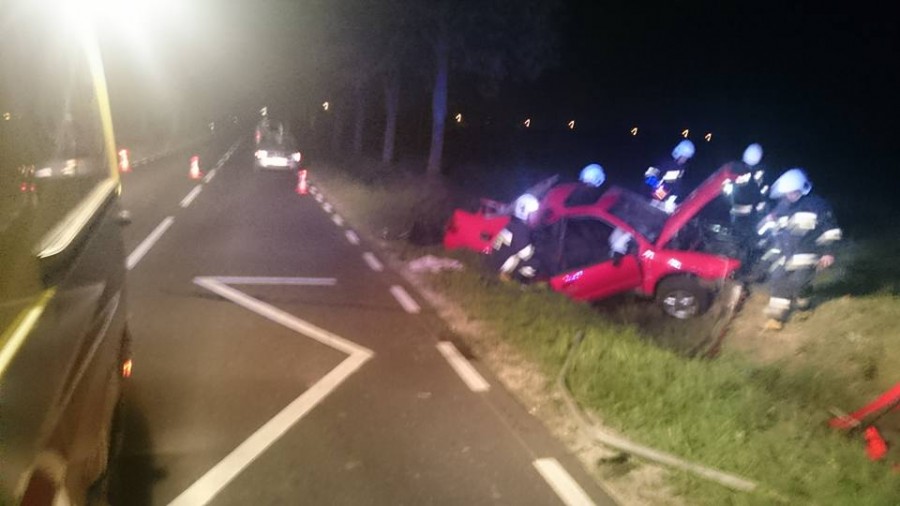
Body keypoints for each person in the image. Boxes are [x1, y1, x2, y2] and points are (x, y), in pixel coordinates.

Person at [757, 168, 841, 330]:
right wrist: (768, 222)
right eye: (787, 192)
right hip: (786, 252)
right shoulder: (782, 206)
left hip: (809, 252)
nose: (790, 195)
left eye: (793, 191)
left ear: (802, 188)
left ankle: (804, 304)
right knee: (777, 278)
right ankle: (776, 317)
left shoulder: (817, 205)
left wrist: (828, 252)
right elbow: (775, 226)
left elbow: (830, 230)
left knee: (799, 282)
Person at [728, 143, 768, 272]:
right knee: (743, 241)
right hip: (745, 213)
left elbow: (758, 192)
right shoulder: (750, 170)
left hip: (744, 213)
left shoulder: (738, 168)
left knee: (744, 242)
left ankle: (742, 268)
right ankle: (741, 267)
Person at [488, 193, 542, 282]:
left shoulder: (513, 223)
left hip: (495, 257)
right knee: (535, 262)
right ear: (526, 214)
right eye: (534, 214)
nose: (537, 216)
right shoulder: (521, 230)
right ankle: (523, 281)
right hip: (501, 263)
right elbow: (526, 253)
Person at [645, 139, 695, 212]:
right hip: (651, 199)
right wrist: (656, 186)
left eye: (686, 158)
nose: (684, 160)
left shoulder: (680, 169)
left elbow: (677, 186)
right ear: (678, 154)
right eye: (684, 157)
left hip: (664, 202)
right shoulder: (665, 163)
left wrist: (673, 199)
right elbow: (648, 175)